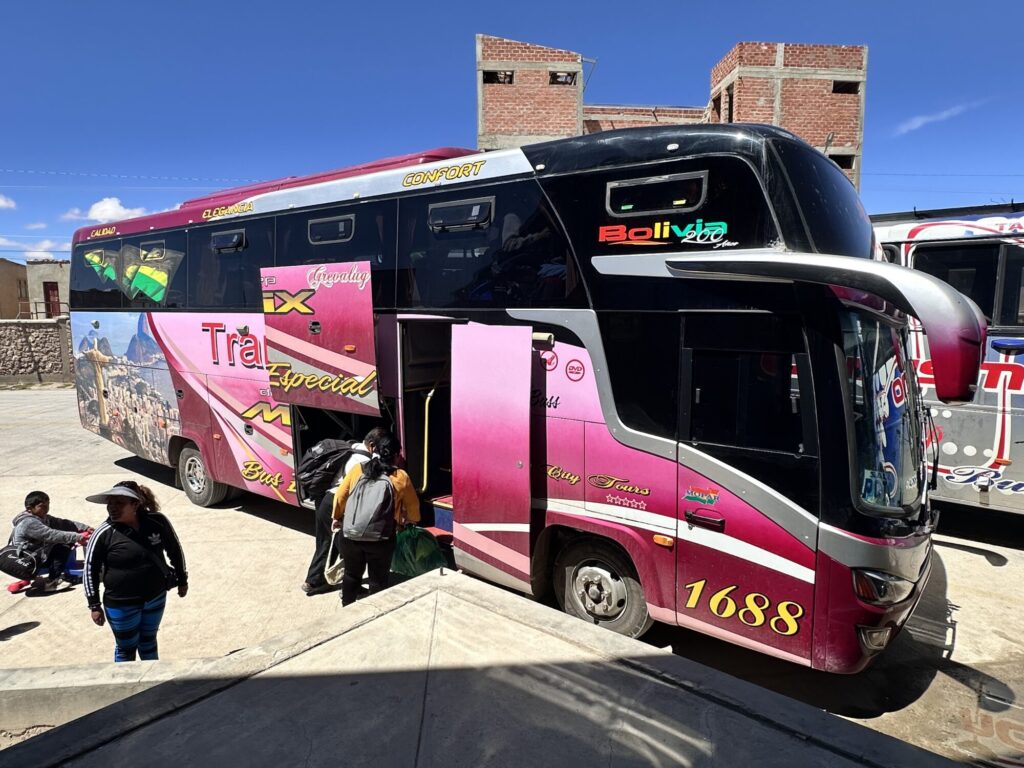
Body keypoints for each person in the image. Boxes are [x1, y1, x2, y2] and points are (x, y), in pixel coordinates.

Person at [83, 480, 188, 662]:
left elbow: (174, 550)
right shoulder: (103, 533)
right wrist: (94, 605)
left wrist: (182, 579)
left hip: (155, 597)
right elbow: (89, 569)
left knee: (149, 642)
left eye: (119, 503)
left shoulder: (157, 522)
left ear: (135, 504)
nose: (112, 508)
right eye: (110, 503)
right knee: (126, 648)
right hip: (121, 604)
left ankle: (153, 678)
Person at [331, 430, 420, 606]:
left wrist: (336, 517)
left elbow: (340, 496)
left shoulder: (358, 469)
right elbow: (413, 509)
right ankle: (374, 613)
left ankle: (347, 610)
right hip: (381, 538)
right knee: (378, 580)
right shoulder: (401, 477)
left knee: (351, 575)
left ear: (375, 450)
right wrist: (408, 522)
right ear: (396, 456)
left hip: (350, 535)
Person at [301, 426, 386, 596]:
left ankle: (314, 581)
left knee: (325, 543)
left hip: (324, 500)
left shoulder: (352, 447)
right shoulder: (362, 462)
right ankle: (349, 587)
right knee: (350, 550)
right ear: (372, 445)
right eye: (381, 447)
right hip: (337, 503)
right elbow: (353, 491)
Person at [9, 491, 92, 591]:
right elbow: (51, 535)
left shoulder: (42, 517)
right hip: (26, 562)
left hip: (32, 556)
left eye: (48, 504)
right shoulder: (29, 523)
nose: (46, 508)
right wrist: (78, 537)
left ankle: (28, 579)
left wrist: (85, 528)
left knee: (66, 540)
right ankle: (52, 582)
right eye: (42, 506)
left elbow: (62, 523)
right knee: (62, 547)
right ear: (29, 508)